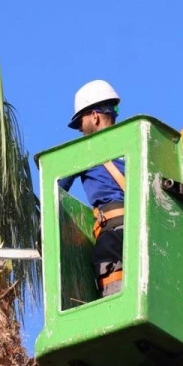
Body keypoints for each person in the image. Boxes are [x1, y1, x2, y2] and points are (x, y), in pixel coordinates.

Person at [58, 79, 126, 297]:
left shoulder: (83, 151)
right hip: (144, 230)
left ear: (95, 116)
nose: (80, 129)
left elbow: (56, 189)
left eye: (81, 122)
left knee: (115, 297)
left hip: (113, 236)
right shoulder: (132, 145)